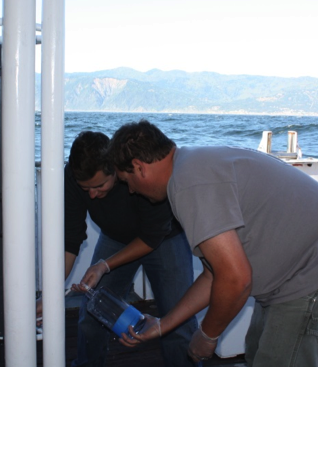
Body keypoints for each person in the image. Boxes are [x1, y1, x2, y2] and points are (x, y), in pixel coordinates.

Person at [101, 120, 318, 367]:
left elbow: (236, 279)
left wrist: (207, 336)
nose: (130, 190)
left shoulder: (189, 184)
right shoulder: (190, 166)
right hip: (295, 272)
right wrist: (163, 325)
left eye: (126, 180)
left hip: (316, 271)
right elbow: (215, 275)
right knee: (257, 351)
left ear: (139, 167)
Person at [39, 130, 199, 367]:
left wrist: (104, 265)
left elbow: (151, 237)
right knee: (92, 315)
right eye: (86, 190)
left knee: (177, 322)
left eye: (100, 185)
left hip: (165, 239)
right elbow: (71, 240)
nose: (92, 195)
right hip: (115, 238)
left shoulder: (140, 177)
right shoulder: (73, 178)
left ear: (115, 169)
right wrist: (50, 294)